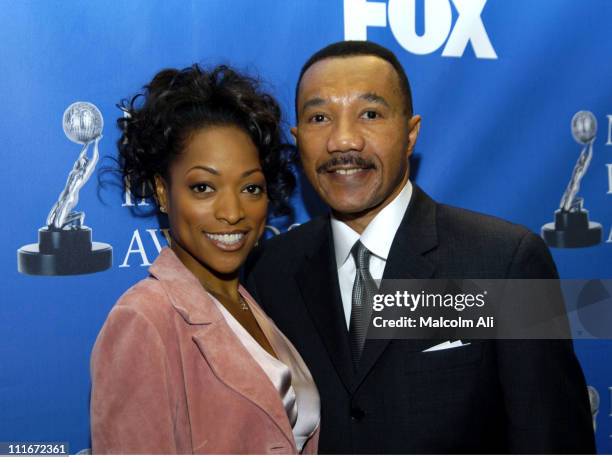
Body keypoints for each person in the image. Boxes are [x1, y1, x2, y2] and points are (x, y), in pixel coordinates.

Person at [245, 41, 595, 454]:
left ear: (410, 134)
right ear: (298, 139)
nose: (342, 141)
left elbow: (553, 442)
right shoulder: (269, 272)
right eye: (320, 117)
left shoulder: (505, 262)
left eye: (370, 114)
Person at [90, 64, 320, 455]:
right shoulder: (145, 319)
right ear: (164, 192)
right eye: (203, 187)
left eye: (250, 187)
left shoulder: (252, 303)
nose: (232, 211)